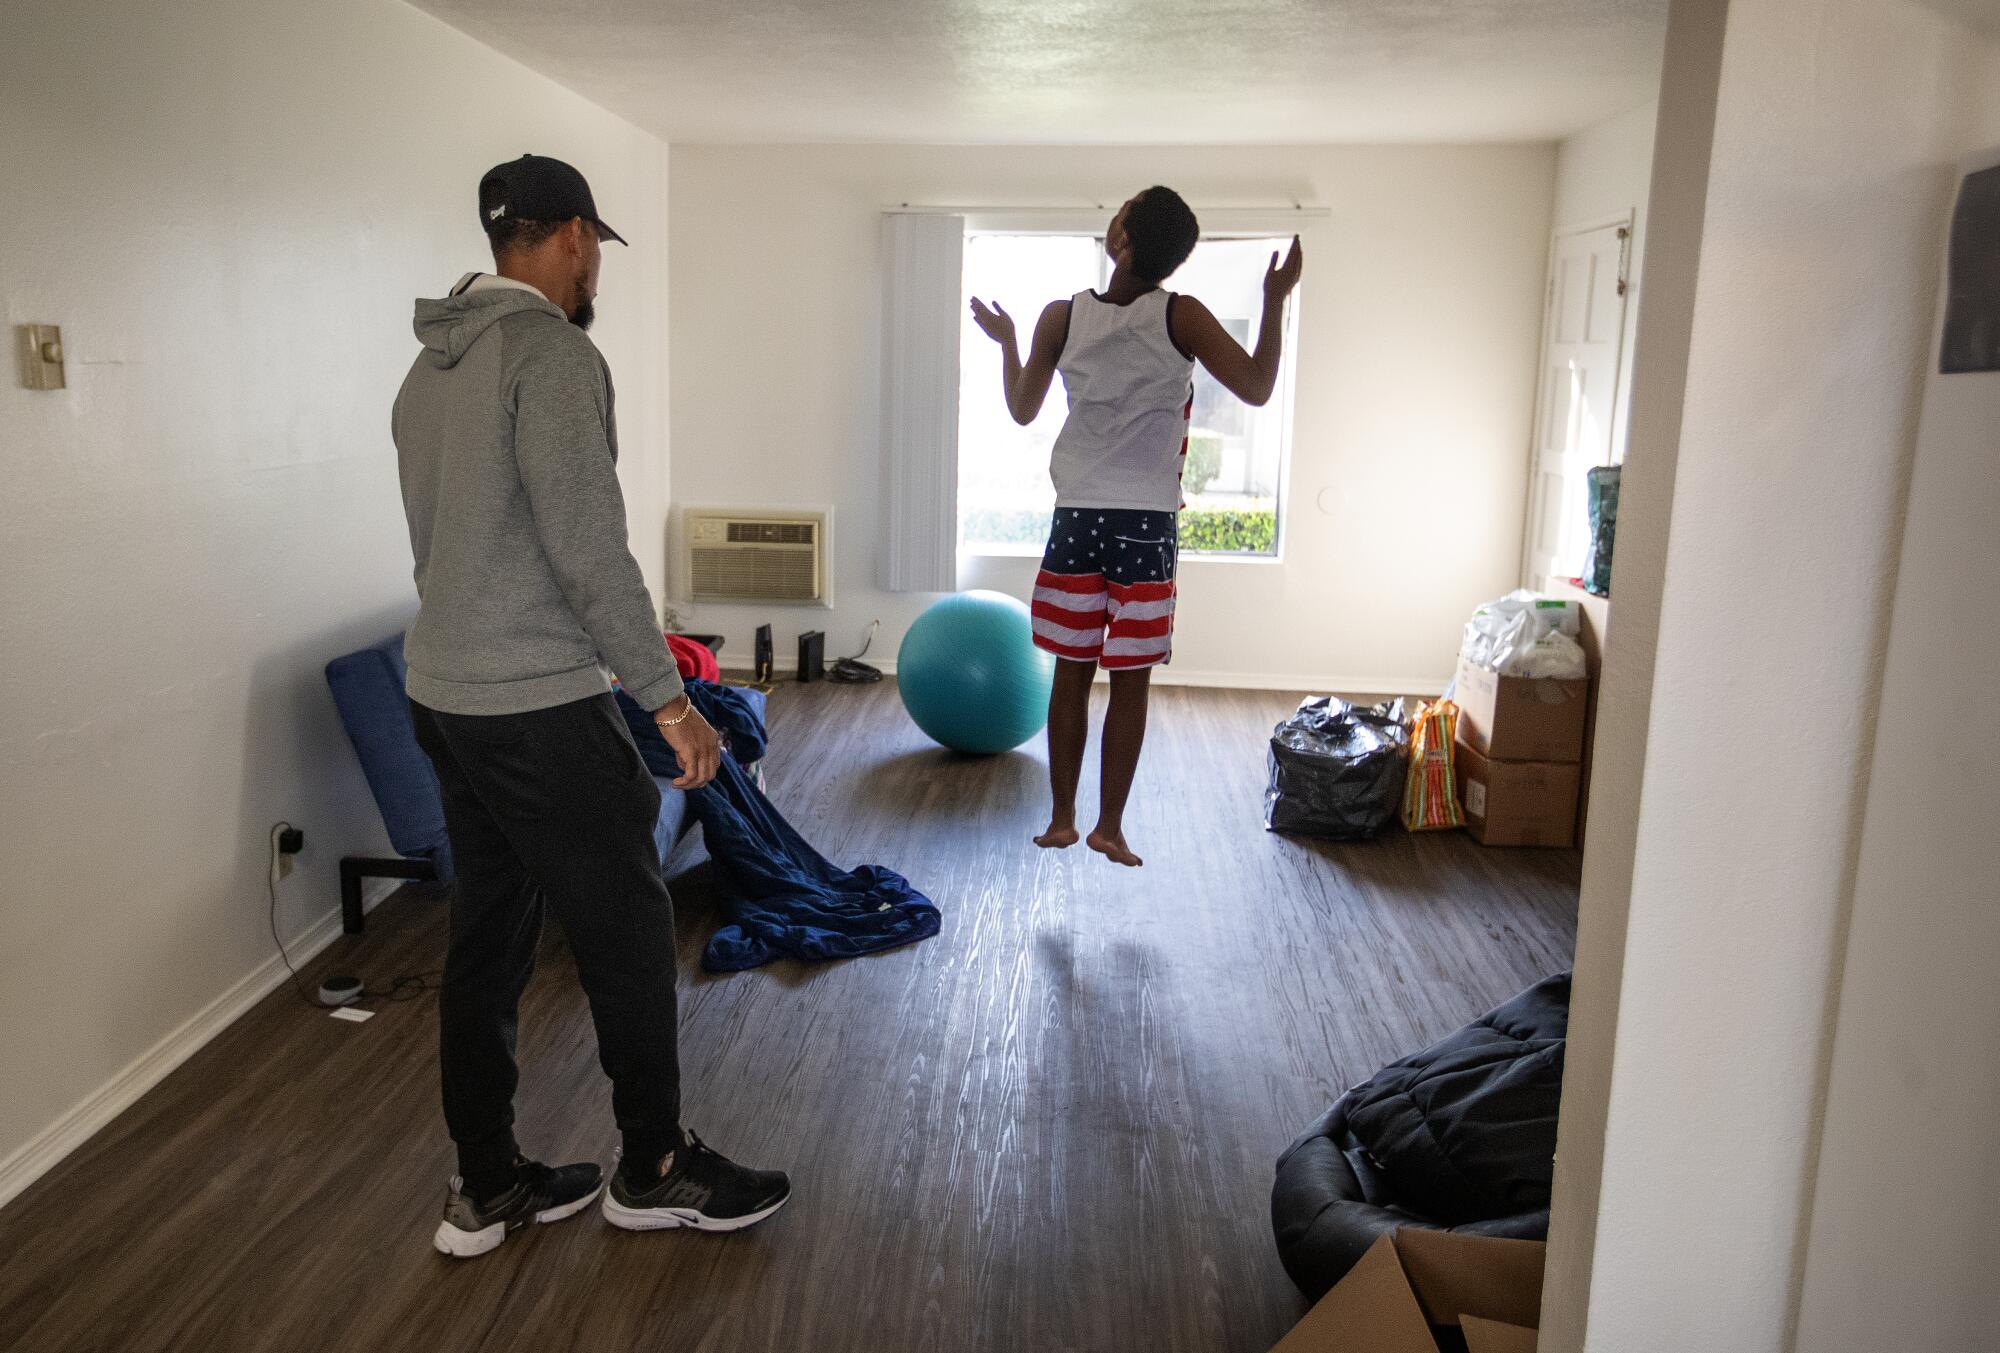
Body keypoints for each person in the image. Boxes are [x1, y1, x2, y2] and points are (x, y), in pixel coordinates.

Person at [393, 154, 790, 1257]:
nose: (591, 270)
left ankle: (485, 1186)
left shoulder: (426, 371)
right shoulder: (553, 355)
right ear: (570, 238)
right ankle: (654, 1167)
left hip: (443, 694)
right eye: (592, 249)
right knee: (624, 928)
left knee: (488, 934)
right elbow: (587, 548)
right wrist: (670, 704)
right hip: (532, 705)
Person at [970, 186, 1303, 867]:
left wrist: (1007, 343)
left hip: (1077, 517)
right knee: (1131, 676)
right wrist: (1275, 298)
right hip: (1146, 525)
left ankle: (1063, 817)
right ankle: (1109, 827)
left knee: (1072, 667)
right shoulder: (1182, 316)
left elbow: (1023, 407)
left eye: (1119, 211)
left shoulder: (1061, 316)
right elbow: (1259, 385)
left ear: (1121, 238)